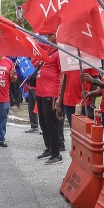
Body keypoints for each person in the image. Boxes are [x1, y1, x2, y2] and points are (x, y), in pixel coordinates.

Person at [34, 34, 64, 164]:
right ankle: (49, 148)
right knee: (43, 122)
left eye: (50, 34)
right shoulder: (47, 49)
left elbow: (63, 75)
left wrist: (59, 97)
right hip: (40, 93)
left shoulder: (59, 53)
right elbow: (32, 43)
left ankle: (57, 154)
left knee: (52, 123)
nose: (46, 36)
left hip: (50, 92)